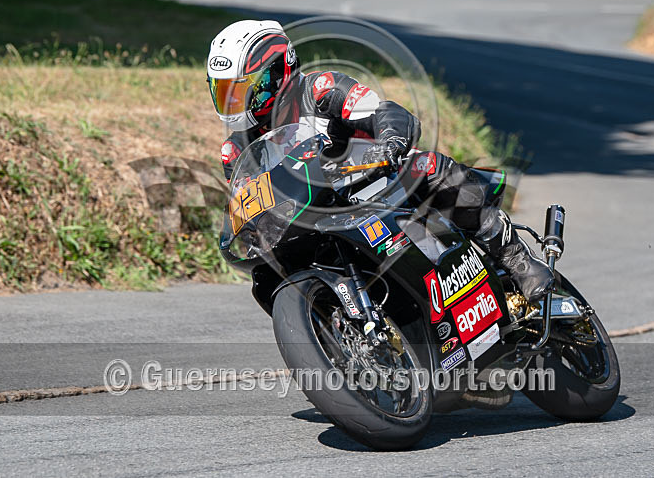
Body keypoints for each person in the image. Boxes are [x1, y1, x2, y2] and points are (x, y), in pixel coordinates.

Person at [207, 20, 553, 300]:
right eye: (223, 92)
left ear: (277, 72)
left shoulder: (320, 89)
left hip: (378, 183)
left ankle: (516, 257)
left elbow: (384, 112)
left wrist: (390, 144)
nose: (233, 104)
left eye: (240, 90)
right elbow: (249, 203)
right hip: (319, 219)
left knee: (427, 167)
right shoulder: (235, 151)